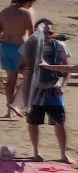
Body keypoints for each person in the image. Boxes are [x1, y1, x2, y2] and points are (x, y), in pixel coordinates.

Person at [29, 22, 73, 162]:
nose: (47, 35)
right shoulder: (31, 46)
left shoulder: (59, 46)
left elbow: (68, 69)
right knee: (33, 122)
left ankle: (63, 154)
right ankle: (36, 152)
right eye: (44, 32)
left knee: (60, 122)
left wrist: (63, 86)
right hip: (36, 89)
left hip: (53, 88)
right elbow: (21, 65)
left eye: (49, 32)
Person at [0, 0, 38, 118]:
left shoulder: (3, 12)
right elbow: (32, 34)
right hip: (20, 48)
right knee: (29, 76)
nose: (32, 7)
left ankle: (9, 110)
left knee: (11, 79)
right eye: (31, 4)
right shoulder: (26, 13)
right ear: (28, 2)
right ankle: (17, 105)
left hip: (5, 47)